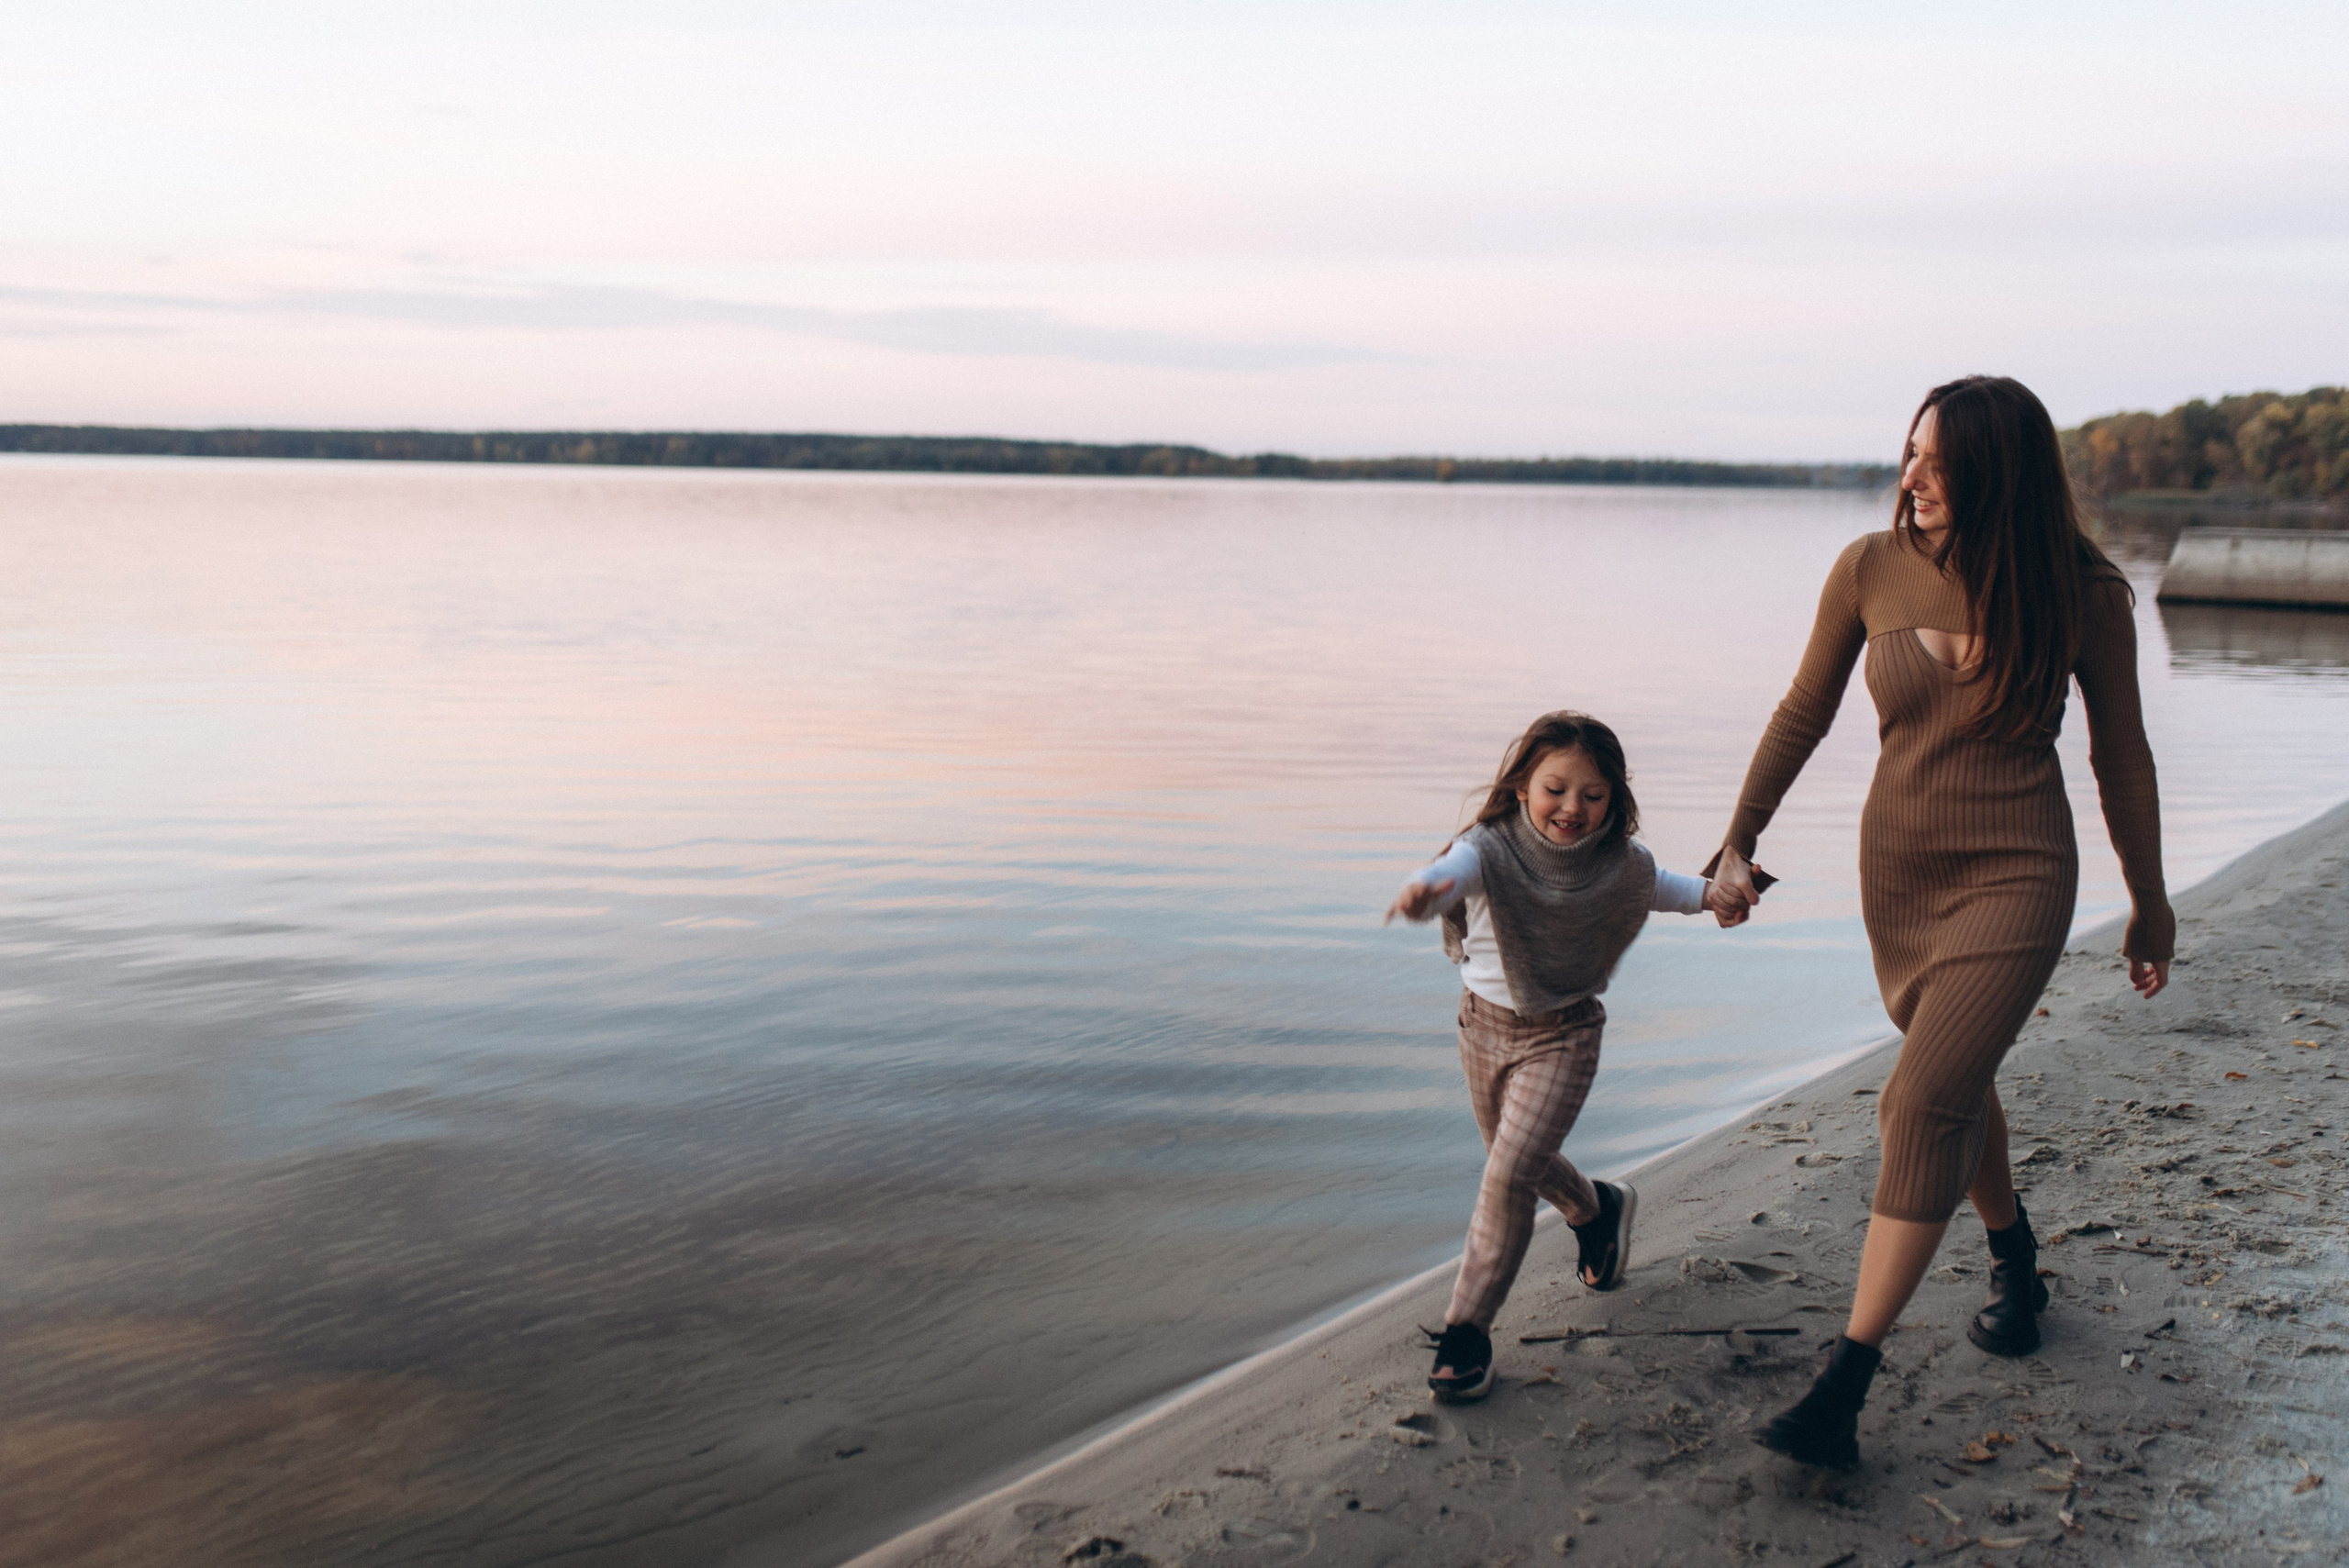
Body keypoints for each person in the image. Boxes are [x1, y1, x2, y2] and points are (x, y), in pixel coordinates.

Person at [1709, 375, 2174, 1469]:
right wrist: (1737, 841)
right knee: (1953, 1082)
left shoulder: (2084, 590)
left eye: (1937, 461)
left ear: (1998, 472)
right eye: (1907, 453)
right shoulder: (1870, 567)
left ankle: (1842, 1387)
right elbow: (1802, 709)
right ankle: (2014, 1257)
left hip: (2019, 873)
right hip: (1899, 876)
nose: (1909, 477)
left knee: (1918, 1099)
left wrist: (2149, 902)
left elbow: (2121, 755)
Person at [1387, 710, 1749, 1400]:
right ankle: (1597, 1211)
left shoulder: (1621, 864)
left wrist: (1717, 897)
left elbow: (1669, 887)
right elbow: (1454, 870)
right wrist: (1428, 889)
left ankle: (1466, 1332)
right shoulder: (1487, 847)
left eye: (1593, 795)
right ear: (1523, 784)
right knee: (1515, 1161)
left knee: (1506, 1178)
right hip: (1480, 1026)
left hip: (1566, 1034)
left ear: (1614, 802)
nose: (1572, 808)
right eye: (1556, 788)